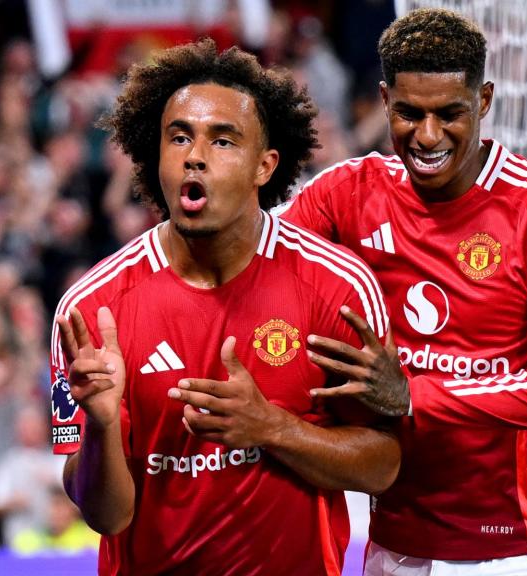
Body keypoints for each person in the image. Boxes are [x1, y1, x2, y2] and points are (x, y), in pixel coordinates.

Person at [49, 39, 400, 575]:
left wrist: (271, 428)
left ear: (265, 166)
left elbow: (383, 468)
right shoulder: (89, 309)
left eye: (223, 140)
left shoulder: (338, 287)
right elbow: (108, 518)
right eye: (180, 137)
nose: (195, 155)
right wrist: (99, 428)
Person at [278, 8, 527, 576]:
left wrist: (413, 396)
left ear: (483, 101)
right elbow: (253, 260)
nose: (427, 136)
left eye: (449, 113)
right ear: (384, 101)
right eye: (409, 113)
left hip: (514, 551)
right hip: (392, 543)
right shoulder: (345, 195)